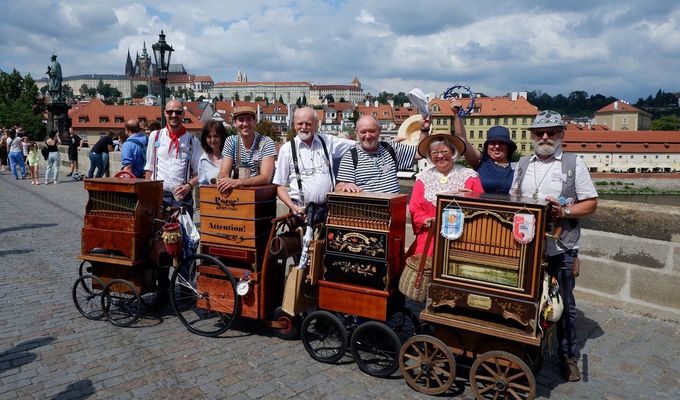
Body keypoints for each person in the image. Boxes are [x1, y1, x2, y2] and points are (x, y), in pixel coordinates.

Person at [510, 110, 598, 383]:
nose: (545, 137)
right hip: (528, 246)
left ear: (561, 134)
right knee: (528, 299)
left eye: (551, 132)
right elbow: (513, 199)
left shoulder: (573, 163)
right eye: (539, 133)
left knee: (565, 305)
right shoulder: (524, 163)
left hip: (562, 247)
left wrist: (564, 211)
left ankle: (567, 355)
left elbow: (591, 202)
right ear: (532, 136)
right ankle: (527, 348)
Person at [273, 107, 355, 225]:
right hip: (301, 212)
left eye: (308, 124)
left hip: (328, 211)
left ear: (316, 124)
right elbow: (279, 185)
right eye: (300, 123)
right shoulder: (287, 149)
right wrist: (292, 206)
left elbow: (357, 145)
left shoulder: (327, 141)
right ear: (294, 125)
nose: (304, 127)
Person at [409, 132, 483, 257]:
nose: (439, 156)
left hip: (461, 239)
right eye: (435, 153)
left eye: (444, 152)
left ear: (453, 152)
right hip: (429, 238)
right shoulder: (422, 178)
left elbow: (481, 208)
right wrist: (426, 220)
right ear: (430, 155)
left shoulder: (470, 176)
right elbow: (414, 208)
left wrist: (469, 198)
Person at [335, 115, 429, 193]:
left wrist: (424, 130)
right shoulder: (350, 157)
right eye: (363, 132)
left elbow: (421, 153)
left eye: (372, 131)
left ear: (379, 130)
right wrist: (345, 186)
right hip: (366, 212)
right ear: (357, 133)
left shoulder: (392, 148)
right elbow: (339, 188)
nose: (368, 136)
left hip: (394, 210)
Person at [144, 99, 201, 217]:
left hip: (182, 196)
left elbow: (199, 172)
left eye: (178, 112)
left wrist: (189, 186)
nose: (173, 115)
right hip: (159, 194)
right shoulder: (155, 136)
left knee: (184, 233)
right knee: (157, 233)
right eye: (170, 112)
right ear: (165, 113)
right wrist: (147, 194)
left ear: (183, 114)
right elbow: (149, 167)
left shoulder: (192, 141)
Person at [448, 99, 517, 194]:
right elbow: (462, 140)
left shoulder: (518, 167)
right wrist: (457, 114)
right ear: (487, 146)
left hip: (508, 208)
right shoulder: (481, 161)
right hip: (481, 208)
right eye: (492, 143)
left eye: (501, 143)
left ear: (508, 146)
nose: (496, 146)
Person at [216, 106, 276, 193]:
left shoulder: (266, 142)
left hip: (262, 196)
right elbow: (224, 171)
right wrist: (223, 180)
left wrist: (238, 182)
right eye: (241, 120)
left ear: (255, 122)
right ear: (235, 123)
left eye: (249, 119)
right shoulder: (231, 142)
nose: (245, 124)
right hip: (240, 196)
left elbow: (266, 178)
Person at [198, 121, 228, 185]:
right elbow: (203, 184)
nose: (212, 140)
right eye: (209, 137)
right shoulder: (203, 159)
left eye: (216, 136)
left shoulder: (229, 155)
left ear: (222, 137)